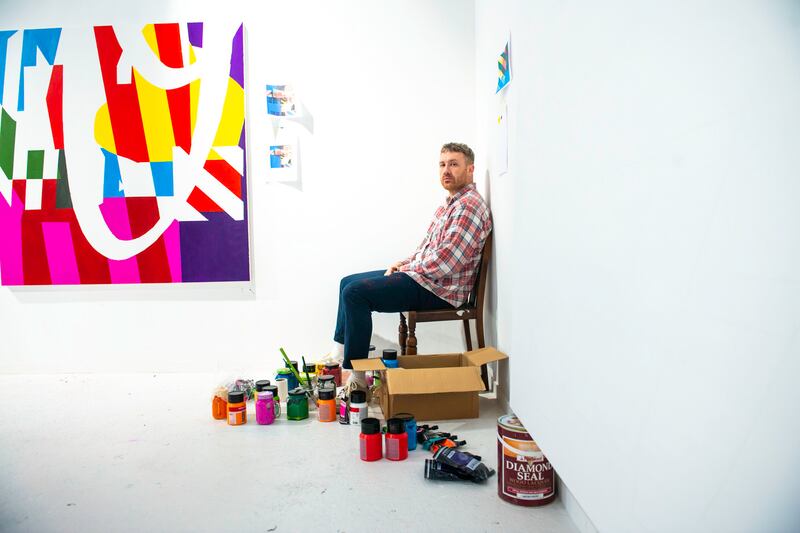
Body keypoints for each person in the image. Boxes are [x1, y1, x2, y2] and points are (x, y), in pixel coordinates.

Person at [330, 142, 492, 390]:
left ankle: (356, 379)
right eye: (442, 164)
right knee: (347, 282)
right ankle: (337, 357)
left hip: (441, 291)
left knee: (356, 294)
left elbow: (447, 261)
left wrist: (409, 269)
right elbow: (428, 248)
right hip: (427, 280)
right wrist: (404, 263)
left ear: (470, 169)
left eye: (454, 164)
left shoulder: (468, 206)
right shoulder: (450, 204)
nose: (446, 170)